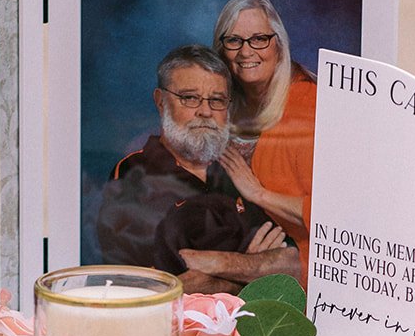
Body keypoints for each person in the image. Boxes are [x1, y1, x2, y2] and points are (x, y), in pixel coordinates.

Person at [96, 44, 300, 295]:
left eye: (217, 100)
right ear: (161, 102)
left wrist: (219, 263)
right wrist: (249, 268)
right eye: (190, 98)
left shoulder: (236, 170)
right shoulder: (133, 175)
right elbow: (152, 292)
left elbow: (291, 266)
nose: (205, 111)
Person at [212, 0, 317, 268]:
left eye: (259, 38)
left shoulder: (309, 106)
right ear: (221, 48)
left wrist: (259, 194)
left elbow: (334, 217)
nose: (246, 52)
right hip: (237, 243)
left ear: (279, 45)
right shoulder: (218, 101)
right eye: (234, 40)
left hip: (296, 259)